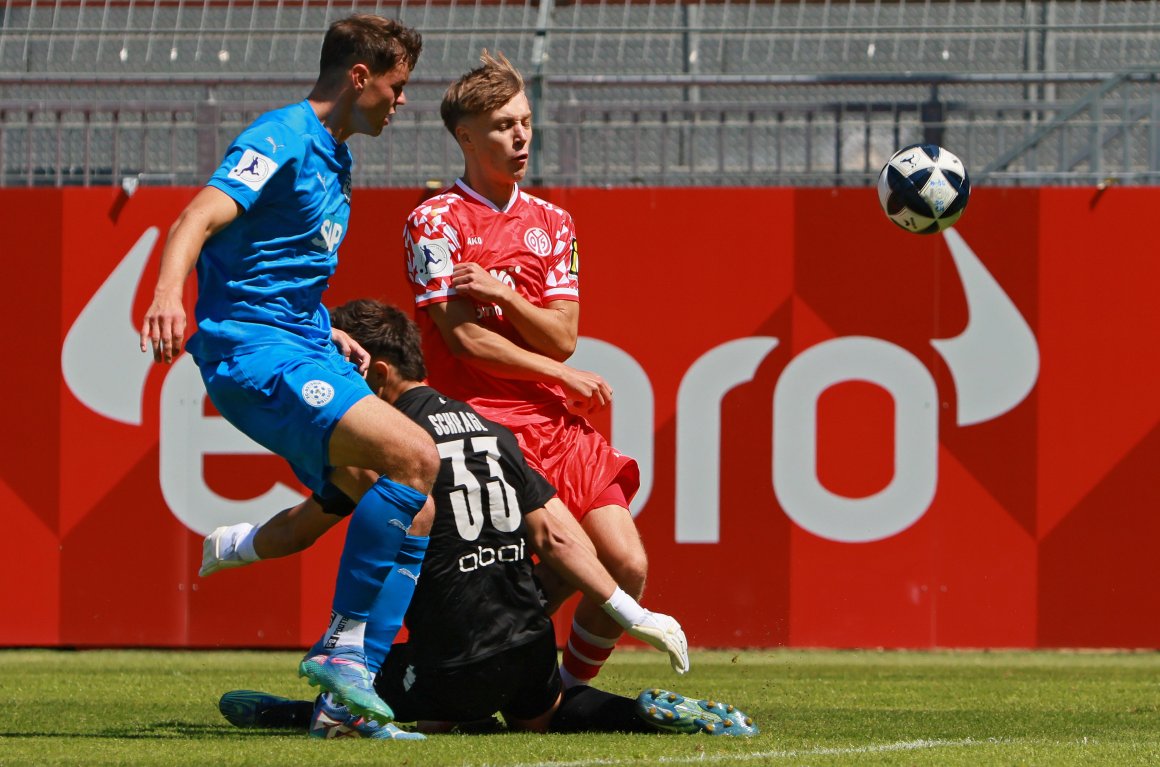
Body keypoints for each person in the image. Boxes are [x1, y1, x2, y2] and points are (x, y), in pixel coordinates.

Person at [205, 299, 756, 739]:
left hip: (452, 664)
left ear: (372, 372)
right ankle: (632, 713)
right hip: (532, 650)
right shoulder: (493, 429)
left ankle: (285, 713)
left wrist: (239, 544)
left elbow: (300, 529)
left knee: (354, 692)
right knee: (537, 714)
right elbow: (559, 536)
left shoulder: (392, 451)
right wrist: (631, 612)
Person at [137, 15, 439, 728]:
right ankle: (342, 646)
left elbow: (277, 270)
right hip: (252, 353)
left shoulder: (336, 159)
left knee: (410, 500)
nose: (402, 103)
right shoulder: (280, 135)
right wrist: (163, 294)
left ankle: (345, 702)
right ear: (359, 75)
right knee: (416, 456)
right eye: (396, 87)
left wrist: (328, 328)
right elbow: (198, 217)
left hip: (300, 343)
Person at [403, 50, 645, 690]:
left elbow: (564, 336)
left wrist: (509, 296)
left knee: (626, 563)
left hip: (556, 426)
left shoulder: (554, 222)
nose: (521, 137)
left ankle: (565, 693)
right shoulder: (434, 222)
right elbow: (463, 342)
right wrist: (560, 373)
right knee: (557, 566)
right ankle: (472, 671)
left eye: (526, 122)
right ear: (466, 137)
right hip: (484, 429)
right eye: (505, 125)